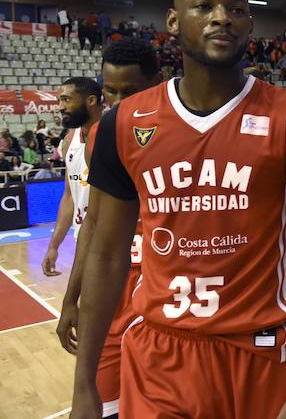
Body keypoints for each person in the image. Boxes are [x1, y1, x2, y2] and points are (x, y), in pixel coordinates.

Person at [69, 0, 286, 419]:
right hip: (161, 351)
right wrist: (84, 385)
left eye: (236, 10)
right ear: (173, 22)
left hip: (260, 349)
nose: (222, 18)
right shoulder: (125, 123)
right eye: (204, 7)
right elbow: (106, 253)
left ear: (250, 26)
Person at [56, 38, 162, 419]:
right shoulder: (101, 137)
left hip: (166, 284)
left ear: (158, 82)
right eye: (111, 92)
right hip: (115, 284)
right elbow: (93, 223)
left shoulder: (185, 129)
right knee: (97, 407)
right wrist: (72, 298)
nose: (117, 102)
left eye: (129, 92)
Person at [41, 77, 103, 278]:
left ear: (91, 101)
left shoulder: (115, 133)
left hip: (115, 242)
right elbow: (69, 197)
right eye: (60, 100)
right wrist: (53, 246)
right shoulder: (69, 141)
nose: (60, 107)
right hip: (83, 240)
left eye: (66, 100)